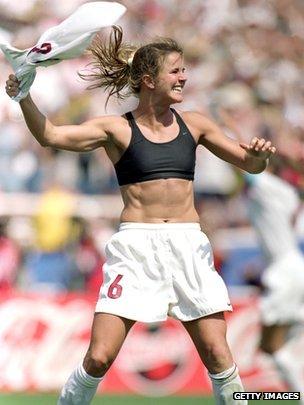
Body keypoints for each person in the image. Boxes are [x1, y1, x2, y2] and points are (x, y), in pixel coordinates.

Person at [5, 26, 276, 405]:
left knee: (218, 356)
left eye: (184, 70)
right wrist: (24, 96)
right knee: (99, 357)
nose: (184, 77)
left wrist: (260, 156)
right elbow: (51, 136)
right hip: (136, 250)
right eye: (175, 70)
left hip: (188, 246)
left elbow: (249, 163)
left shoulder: (195, 124)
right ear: (149, 80)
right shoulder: (116, 128)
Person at [220, 111, 304, 400]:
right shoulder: (288, 193)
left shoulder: (270, 188)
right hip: (294, 269)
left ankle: (299, 395)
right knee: (279, 347)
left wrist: (225, 126)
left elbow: (241, 161)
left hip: (284, 273)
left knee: (271, 346)